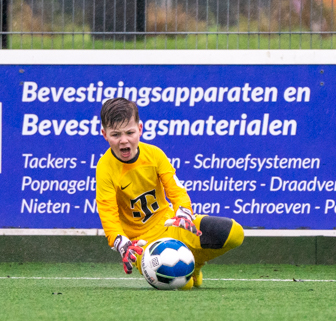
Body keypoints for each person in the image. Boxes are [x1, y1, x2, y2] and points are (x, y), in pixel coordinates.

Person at [95, 97, 244, 289]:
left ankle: (196, 264)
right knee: (184, 285)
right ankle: (187, 270)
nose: (124, 140)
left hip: (170, 226)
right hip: (141, 244)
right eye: (115, 135)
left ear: (140, 129)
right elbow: (107, 212)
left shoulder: (155, 154)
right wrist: (119, 241)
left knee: (235, 233)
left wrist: (183, 210)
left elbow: (176, 189)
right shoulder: (104, 168)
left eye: (129, 132)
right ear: (104, 134)